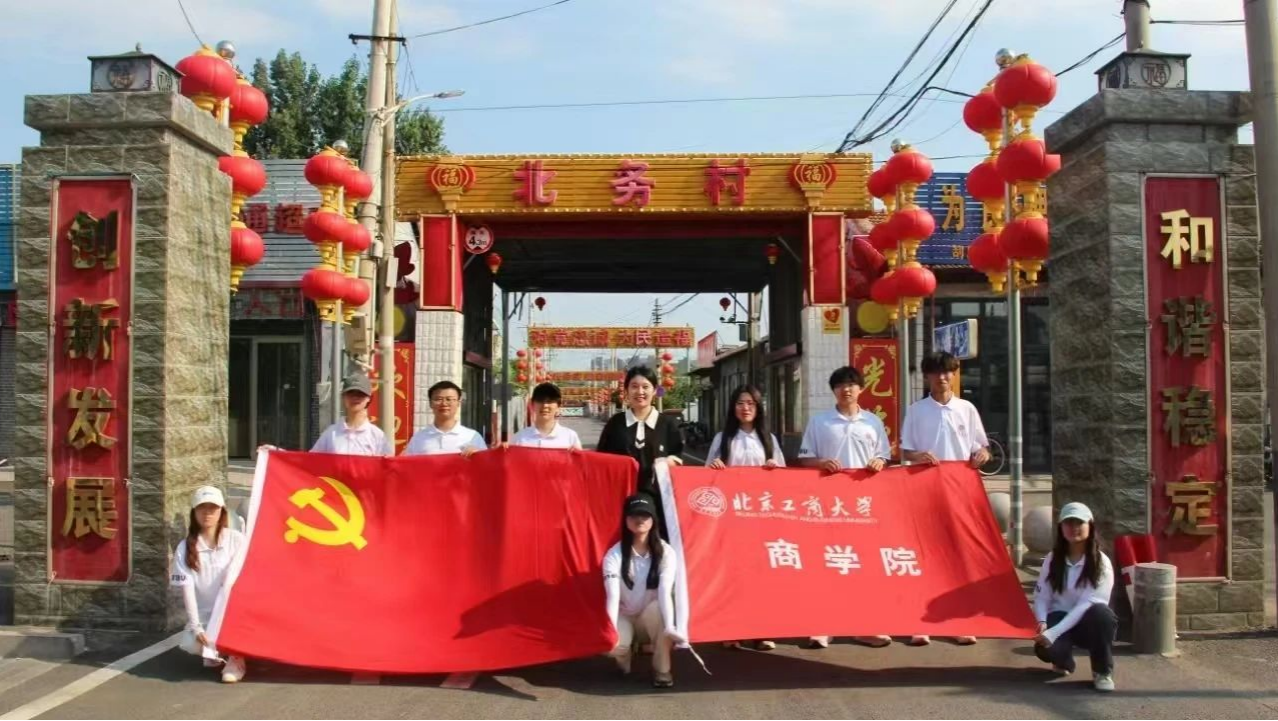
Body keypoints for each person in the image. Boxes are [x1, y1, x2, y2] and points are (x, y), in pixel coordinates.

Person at [797, 365, 892, 650]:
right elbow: (805, 458)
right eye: (839, 385)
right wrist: (821, 463)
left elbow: (884, 456)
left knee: (864, 566)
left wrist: (879, 462)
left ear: (861, 388)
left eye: (851, 384)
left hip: (864, 507)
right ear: (833, 391)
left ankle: (865, 626)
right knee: (828, 563)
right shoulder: (820, 422)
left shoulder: (872, 422)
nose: (846, 390)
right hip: (829, 506)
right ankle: (822, 626)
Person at [900, 351, 989, 646]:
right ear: (927, 376)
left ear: (954, 374)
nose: (942, 377)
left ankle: (959, 621)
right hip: (924, 492)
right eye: (936, 372)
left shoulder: (967, 409)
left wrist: (982, 455)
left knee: (958, 557)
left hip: (960, 493)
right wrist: (919, 456)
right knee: (925, 556)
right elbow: (906, 450)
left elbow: (981, 448)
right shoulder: (916, 411)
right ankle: (920, 623)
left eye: (947, 371)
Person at [706, 384, 784, 651]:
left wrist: (773, 468)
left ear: (759, 407)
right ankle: (732, 629)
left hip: (761, 519)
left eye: (751, 403)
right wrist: (715, 468)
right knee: (733, 575)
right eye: (740, 403)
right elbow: (706, 478)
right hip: (731, 519)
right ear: (732, 408)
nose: (745, 408)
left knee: (762, 575)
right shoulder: (722, 439)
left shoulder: (769, 440)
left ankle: (762, 630)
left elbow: (784, 479)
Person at [1033, 502, 1117, 692]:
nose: (1073, 527)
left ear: (1090, 526)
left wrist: (1053, 633)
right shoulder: (1052, 558)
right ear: (1061, 527)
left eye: (1079, 522)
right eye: (1068, 523)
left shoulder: (1101, 562)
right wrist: (1042, 622)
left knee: (1102, 615)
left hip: (1086, 623)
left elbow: (1087, 604)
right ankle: (1063, 661)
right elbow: (1042, 595)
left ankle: (1102, 671)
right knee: (1043, 648)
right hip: (1058, 617)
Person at [603, 494, 685, 689]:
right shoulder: (614, 554)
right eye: (634, 515)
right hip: (624, 615)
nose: (639, 520)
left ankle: (662, 669)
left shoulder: (666, 552)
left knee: (661, 611)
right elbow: (612, 596)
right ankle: (625, 656)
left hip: (649, 615)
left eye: (645, 515)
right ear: (626, 520)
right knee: (613, 646)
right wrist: (610, 631)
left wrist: (671, 627)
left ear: (653, 520)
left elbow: (665, 590)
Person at [170, 486, 248, 684]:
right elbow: (187, 591)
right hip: (207, 617)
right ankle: (217, 650)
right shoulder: (184, 548)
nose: (207, 513)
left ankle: (236, 659)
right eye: (202, 507)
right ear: (194, 512)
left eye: (212, 508)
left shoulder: (236, 540)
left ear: (221, 511)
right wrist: (197, 627)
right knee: (191, 643)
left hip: (235, 614)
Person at [596, 366, 684, 528]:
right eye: (634, 386)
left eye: (645, 387)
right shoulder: (616, 423)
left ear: (655, 390)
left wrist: (668, 462)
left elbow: (677, 457)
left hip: (658, 501)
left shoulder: (667, 424)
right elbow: (600, 460)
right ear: (626, 391)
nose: (640, 392)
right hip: (620, 499)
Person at [310, 374, 394, 456]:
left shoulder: (377, 437)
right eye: (350, 393)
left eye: (360, 394)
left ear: (369, 398)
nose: (355, 398)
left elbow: (389, 464)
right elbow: (312, 461)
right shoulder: (331, 434)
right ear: (343, 397)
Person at [404, 381, 487, 456]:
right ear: (430, 403)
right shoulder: (419, 438)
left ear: (458, 403)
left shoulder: (472, 437)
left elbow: (486, 465)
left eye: (449, 399)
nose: (444, 403)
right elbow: (408, 466)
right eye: (438, 399)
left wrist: (478, 455)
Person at [510, 383, 583, 449]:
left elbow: (580, 459)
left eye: (550, 401)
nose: (545, 405)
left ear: (559, 406)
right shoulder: (519, 438)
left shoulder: (570, 437)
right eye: (540, 400)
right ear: (532, 404)